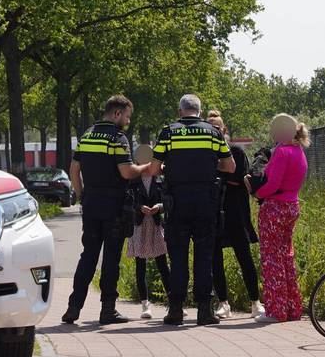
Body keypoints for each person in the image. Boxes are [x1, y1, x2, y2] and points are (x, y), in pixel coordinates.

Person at [147, 94, 235, 326]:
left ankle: (175, 310)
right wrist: (207, 165)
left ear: (180, 111)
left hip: (177, 202)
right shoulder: (212, 132)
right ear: (199, 111)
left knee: (178, 257)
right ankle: (204, 311)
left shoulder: (168, 132)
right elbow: (230, 165)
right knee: (204, 256)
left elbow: (155, 169)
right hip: (206, 201)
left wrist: (172, 167)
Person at [62, 95, 149, 325]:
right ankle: (107, 310)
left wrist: (82, 196)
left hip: (91, 205)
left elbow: (74, 170)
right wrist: (147, 168)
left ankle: (73, 307)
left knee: (88, 256)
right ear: (117, 113)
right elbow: (126, 172)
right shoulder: (117, 138)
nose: (128, 122)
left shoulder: (86, 135)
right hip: (114, 207)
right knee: (111, 258)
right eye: (127, 117)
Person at [248, 113, 310, 323]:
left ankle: (276, 311)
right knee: (286, 257)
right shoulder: (299, 151)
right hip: (292, 205)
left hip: (275, 208)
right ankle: (293, 308)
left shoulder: (282, 152)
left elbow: (272, 184)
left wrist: (257, 193)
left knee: (271, 259)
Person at [205, 111, 261, 319]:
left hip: (236, 213)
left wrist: (218, 172)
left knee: (244, 257)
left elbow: (239, 177)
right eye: (210, 128)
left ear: (224, 130)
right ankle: (223, 303)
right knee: (215, 259)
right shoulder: (204, 152)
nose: (215, 131)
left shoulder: (235, 151)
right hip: (214, 212)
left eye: (217, 128)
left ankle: (255, 301)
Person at [126, 145, 171, 319]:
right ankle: (145, 305)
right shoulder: (133, 179)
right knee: (140, 265)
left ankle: (172, 300)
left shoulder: (160, 178)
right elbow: (128, 201)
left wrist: (158, 207)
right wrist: (139, 208)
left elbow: (167, 199)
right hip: (139, 224)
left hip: (156, 224)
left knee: (162, 264)